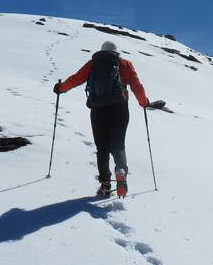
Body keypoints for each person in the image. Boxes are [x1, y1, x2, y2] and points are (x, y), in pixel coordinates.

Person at [54, 41, 149, 198]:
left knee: (102, 148)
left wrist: (60, 88)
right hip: (120, 109)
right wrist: (144, 102)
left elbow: (76, 79)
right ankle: (121, 171)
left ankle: (105, 184)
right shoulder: (126, 64)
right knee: (118, 145)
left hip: (98, 109)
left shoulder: (93, 63)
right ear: (117, 53)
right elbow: (137, 86)